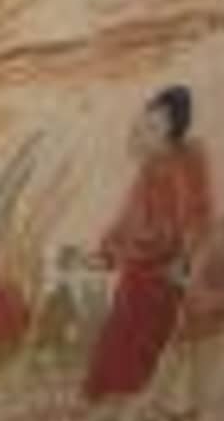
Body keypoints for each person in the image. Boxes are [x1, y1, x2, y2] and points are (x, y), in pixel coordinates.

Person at [83, 83, 217, 398]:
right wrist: (107, 253)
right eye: (144, 123)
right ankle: (106, 397)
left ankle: (125, 399)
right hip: (141, 269)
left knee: (137, 336)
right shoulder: (150, 169)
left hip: (164, 274)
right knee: (119, 331)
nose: (143, 131)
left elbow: (191, 221)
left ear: (172, 132)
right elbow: (128, 218)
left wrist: (185, 260)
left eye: (154, 127)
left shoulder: (183, 165)